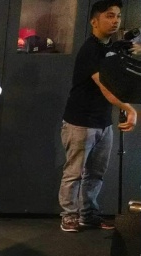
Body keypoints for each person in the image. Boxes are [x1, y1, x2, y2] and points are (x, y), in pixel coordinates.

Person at [59, 0, 137, 232]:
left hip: (103, 122)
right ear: (94, 21)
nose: (115, 21)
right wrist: (130, 109)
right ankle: (69, 216)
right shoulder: (90, 50)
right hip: (80, 122)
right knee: (74, 173)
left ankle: (89, 215)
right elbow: (105, 86)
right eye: (109, 16)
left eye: (118, 16)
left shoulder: (110, 48)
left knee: (96, 174)